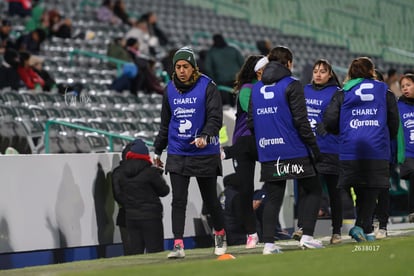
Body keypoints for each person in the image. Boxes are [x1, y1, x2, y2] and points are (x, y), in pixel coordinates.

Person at [153, 46, 227, 258]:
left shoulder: (208, 86)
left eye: (185, 66)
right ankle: (178, 244)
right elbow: (165, 125)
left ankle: (220, 234)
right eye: (178, 67)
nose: (182, 70)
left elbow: (215, 117)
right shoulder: (169, 90)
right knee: (178, 200)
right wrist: (157, 150)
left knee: (211, 199)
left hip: (204, 152)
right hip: (178, 152)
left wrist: (205, 135)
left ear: (193, 67)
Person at [250, 46, 323, 254]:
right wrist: (314, 148)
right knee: (313, 189)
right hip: (294, 150)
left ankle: (269, 245)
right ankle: (307, 236)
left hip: (269, 152)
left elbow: (251, 123)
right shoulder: (292, 84)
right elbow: (301, 121)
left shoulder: (256, 88)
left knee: (273, 196)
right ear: (288, 63)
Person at [323, 57, 399, 242]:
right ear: (371, 71)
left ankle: (364, 230)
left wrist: (344, 132)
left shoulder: (343, 91)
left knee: (360, 189)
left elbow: (329, 120)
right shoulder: (384, 90)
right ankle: (361, 226)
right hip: (376, 147)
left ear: (351, 72)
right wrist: (383, 136)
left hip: (351, 148)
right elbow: (394, 121)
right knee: (372, 189)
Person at [221, 55, 267, 249]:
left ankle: (265, 232)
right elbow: (256, 115)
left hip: (260, 141)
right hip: (246, 142)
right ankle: (251, 233)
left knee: (274, 179)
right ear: (258, 71)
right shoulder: (248, 89)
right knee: (245, 189)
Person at [303, 59, 343, 244]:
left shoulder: (336, 92)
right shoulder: (305, 90)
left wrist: (329, 126)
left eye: (323, 71)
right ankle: (305, 228)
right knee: (309, 190)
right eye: (316, 71)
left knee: (334, 192)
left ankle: (336, 231)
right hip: (309, 149)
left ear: (330, 75)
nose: (318, 74)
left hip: (330, 148)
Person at [112, 138, 170, 254]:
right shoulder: (151, 172)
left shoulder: (120, 172)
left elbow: (118, 195)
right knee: (155, 252)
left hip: (130, 217)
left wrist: (130, 205)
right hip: (151, 217)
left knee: (134, 254)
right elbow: (164, 191)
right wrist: (159, 175)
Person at [204, 33, 244, 107]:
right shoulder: (233, 50)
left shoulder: (211, 52)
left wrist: (214, 80)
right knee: (237, 104)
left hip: (222, 82)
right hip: (236, 80)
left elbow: (208, 68)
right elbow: (243, 63)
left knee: (226, 107)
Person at [397, 73, 414, 224]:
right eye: (403, 86)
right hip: (407, 153)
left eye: (408, 85)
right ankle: (412, 211)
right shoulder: (398, 106)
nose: (405, 89)